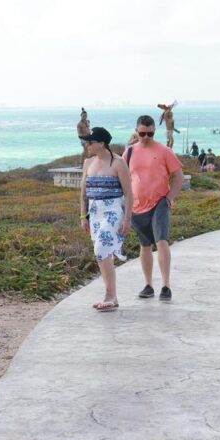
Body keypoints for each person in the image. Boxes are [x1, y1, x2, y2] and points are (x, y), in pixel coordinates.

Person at [124, 115, 185, 301]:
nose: (146, 137)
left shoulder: (164, 151)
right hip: (136, 205)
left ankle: (166, 286)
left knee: (162, 241)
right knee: (145, 245)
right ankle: (148, 284)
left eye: (150, 133)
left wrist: (169, 198)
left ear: (154, 132)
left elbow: (179, 176)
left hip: (160, 202)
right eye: (142, 133)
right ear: (136, 131)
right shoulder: (130, 152)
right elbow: (123, 178)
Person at [80, 128, 133, 312]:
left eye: (90, 142)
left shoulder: (118, 163)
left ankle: (110, 296)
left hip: (113, 210)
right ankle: (111, 296)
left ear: (101, 143)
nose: (87, 145)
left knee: (101, 248)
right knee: (102, 254)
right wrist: (83, 216)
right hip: (95, 212)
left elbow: (129, 193)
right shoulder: (88, 163)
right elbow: (83, 195)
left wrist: (127, 219)